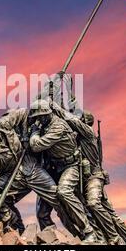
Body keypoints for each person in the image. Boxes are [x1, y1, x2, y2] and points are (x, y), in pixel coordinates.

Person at [53, 104, 126, 244]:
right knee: (106, 212)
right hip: (87, 177)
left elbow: (72, 121)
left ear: (84, 121)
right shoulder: (80, 134)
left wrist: (57, 108)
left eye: (80, 118)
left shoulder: (88, 132)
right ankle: (106, 238)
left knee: (93, 203)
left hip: (94, 177)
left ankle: (116, 238)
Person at [0, 114, 63, 234]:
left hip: (31, 168)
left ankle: (83, 229)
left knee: (59, 197)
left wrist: (26, 134)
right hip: (13, 179)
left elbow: (24, 114)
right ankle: (13, 224)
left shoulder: (5, 124)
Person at [28, 99, 96, 242]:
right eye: (37, 118)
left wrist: (34, 133)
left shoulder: (57, 126)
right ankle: (52, 238)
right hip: (54, 168)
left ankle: (89, 231)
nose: (38, 120)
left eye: (40, 117)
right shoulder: (45, 127)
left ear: (47, 114)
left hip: (71, 166)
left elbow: (36, 145)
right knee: (42, 211)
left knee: (63, 191)